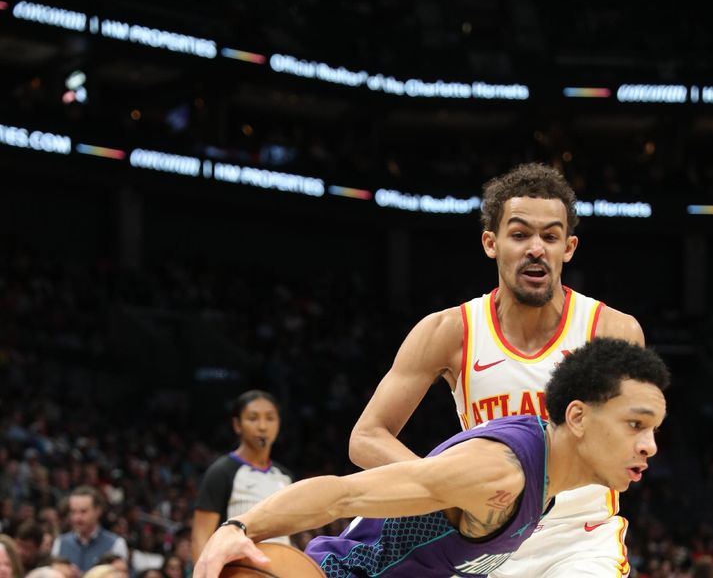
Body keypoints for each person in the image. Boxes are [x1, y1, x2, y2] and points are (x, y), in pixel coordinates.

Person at [349, 162, 645, 577]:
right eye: (520, 234)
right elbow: (366, 437)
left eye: (550, 236)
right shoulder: (448, 331)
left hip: (578, 536)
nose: (536, 248)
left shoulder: (612, 331)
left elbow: (634, 445)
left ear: (569, 247)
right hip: (486, 540)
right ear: (492, 242)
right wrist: (445, 490)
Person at [193, 339, 669, 578]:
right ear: (579, 417)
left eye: (653, 429)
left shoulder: (545, 476)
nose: (649, 445)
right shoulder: (500, 472)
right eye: (635, 424)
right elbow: (343, 494)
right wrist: (237, 530)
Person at [191, 391, 292, 562]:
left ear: (278, 424)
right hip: (238, 569)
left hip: (281, 568)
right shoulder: (222, 472)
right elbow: (200, 537)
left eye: (270, 418)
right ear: (237, 425)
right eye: (253, 418)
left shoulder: (285, 477)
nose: (262, 426)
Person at [51, 486, 128, 574]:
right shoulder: (60, 542)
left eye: (83, 511)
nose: (77, 518)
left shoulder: (116, 544)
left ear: (97, 511)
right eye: (73, 512)